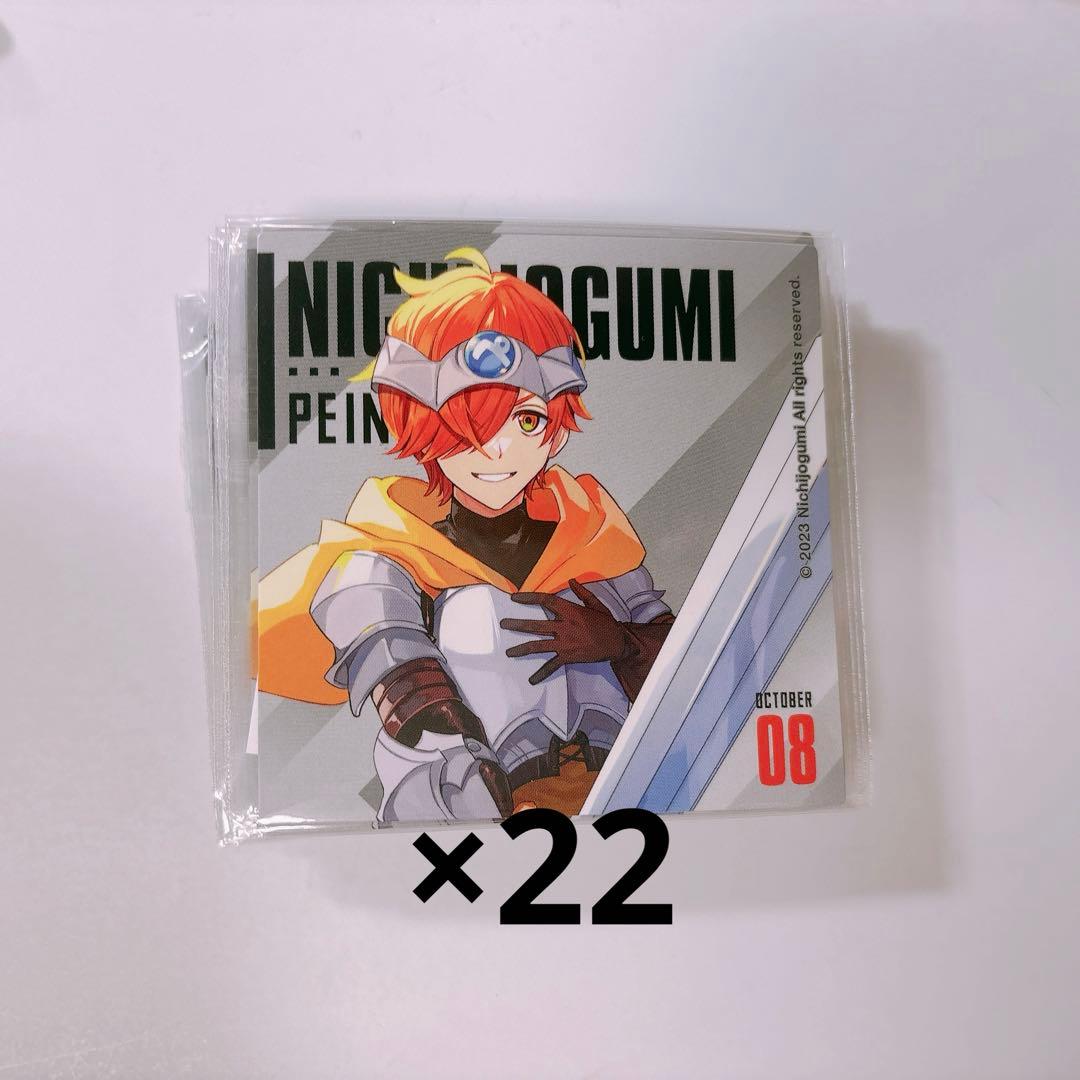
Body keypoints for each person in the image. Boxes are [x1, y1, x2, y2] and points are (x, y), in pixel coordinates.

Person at [258, 249, 674, 822]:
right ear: (422, 431)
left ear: (555, 431)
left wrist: (618, 641)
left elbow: (683, 662)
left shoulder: (591, 534)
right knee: (417, 597)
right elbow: (413, 709)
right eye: (466, 427)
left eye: (526, 420)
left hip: (626, 786)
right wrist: (469, 797)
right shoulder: (385, 555)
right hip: (476, 806)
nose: (497, 450)